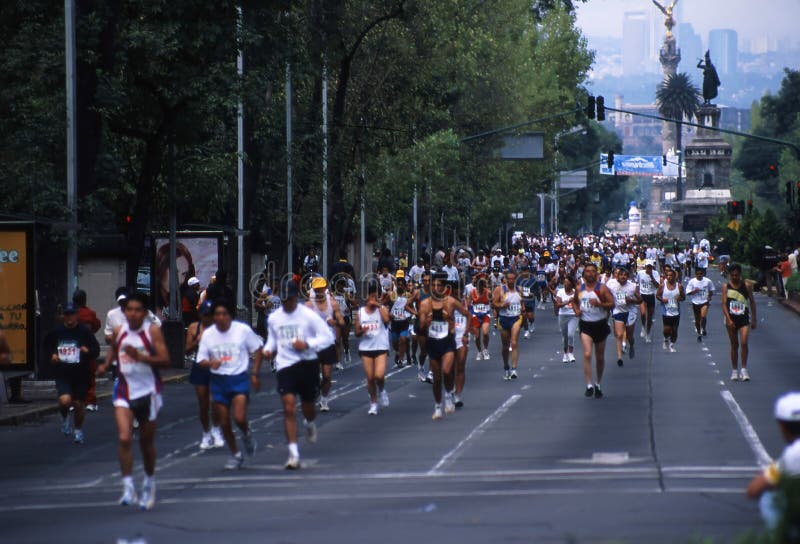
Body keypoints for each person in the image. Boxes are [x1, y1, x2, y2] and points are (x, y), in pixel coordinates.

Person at [98, 292, 170, 510]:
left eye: (137, 310)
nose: (132, 314)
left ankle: (149, 480)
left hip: (148, 391)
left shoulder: (152, 332)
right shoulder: (120, 331)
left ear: (145, 313)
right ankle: (128, 485)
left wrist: (141, 357)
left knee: (146, 443)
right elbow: (114, 350)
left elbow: (166, 360)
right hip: (124, 389)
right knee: (124, 437)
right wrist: (105, 365)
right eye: (129, 310)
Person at [263, 280, 333, 469]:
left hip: (307, 362)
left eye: (290, 299)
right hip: (285, 364)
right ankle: (293, 454)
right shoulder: (274, 318)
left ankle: (310, 423)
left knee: (308, 406)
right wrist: (268, 350)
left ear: (296, 298)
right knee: (288, 407)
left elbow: (328, 336)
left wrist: (308, 344)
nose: (287, 303)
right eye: (284, 299)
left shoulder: (308, 316)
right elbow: (272, 341)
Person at [196, 298, 263, 470]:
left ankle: (247, 435)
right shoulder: (208, 335)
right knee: (224, 422)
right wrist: (211, 364)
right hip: (219, 381)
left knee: (239, 417)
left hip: (238, 378)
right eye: (217, 314)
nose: (220, 317)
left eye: (223, 314)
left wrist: (255, 373)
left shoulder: (242, 331)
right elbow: (201, 360)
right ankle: (236, 454)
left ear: (230, 316)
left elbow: (257, 348)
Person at [43, 302, 100, 444]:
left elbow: (96, 350)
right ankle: (65, 417)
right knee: (65, 401)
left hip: (81, 374)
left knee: (79, 403)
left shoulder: (84, 332)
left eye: (72, 314)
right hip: (63, 373)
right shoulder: (57, 332)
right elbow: (47, 346)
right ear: (64, 316)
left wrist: (88, 351)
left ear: (76, 315)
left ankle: (78, 430)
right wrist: (52, 355)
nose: (69, 317)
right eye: (67, 314)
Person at [746, 392, 800, 533]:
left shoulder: (792, 455)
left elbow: (754, 489)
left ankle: (780, 536)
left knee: (769, 498)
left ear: (782, 425)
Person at [418, 273, 468, 418]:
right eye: (433, 285)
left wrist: (464, 333)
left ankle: (448, 395)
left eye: (438, 285)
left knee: (447, 371)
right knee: (437, 377)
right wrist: (427, 320)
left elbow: (466, 314)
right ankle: (438, 405)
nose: (435, 288)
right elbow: (421, 327)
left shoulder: (450, 302)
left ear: (444, 287)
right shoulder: (425, 304)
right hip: (433, 342)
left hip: (447, 341)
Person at [185, 300, 224, 450]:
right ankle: (206, 432)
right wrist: (197, 341)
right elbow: (187, 350)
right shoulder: (195, 328)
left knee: (215, 401)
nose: (207, 318)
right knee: (203, 403)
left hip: (215, 365)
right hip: (200, 366)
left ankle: (216, 428)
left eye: (210, 315)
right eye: (205, 315)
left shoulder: (219, 328)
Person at [573, 263, 614, 398]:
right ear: (584, 274)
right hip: (586, 325)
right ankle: (589, 385)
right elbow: (574, 302)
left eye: (592, 271)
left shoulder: (602, 289)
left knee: (600, 357)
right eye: (587, 271)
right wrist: (577, 310)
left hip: (600, 324)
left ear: (596, 274)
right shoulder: (580, 289)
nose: (590, 274)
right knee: (587, 353)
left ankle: (598, 383)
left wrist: (599, 304)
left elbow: (612, 304)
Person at [306, 277, 344, 412]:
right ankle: (315, 388)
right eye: (316, 289)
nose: (319, 291)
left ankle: (324, 400)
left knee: (327, 376)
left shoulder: (332, 303)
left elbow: (341, 321)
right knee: (313, 375)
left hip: (328, 342)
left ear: (325, 288)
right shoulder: (309, 306)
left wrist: (335, 322)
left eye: (321, 288)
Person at [354, 282, 391, 415]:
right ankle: (374, 403)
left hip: (380, 346)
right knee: (370, 378)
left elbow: (387, 321)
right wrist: (361, 331)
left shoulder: (382, 309)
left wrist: (379, 305)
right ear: (368, 297)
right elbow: (357, 331)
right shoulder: (361, 312)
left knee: (379, 375)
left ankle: (382, 390)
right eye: (372, 297)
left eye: (376, 297)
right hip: (366, 347)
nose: (374, 300)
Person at [721, 264, 757, 381]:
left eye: (737, 275)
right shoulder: (726, 287)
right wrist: (729, 319)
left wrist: (754, 318)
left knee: (744, 343)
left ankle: (744, 369)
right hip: (731, 319)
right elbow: (724, 304)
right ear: (729, 275)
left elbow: (752, 302)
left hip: (744, 318)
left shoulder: (746, 286)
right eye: (732, 275)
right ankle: (734, 370)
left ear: (740, 274)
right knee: (734, 345)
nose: (735, 277)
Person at [72, 289, 102, 412]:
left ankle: (74, 401)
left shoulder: (71, 314)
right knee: (90, 376)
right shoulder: (90, 313)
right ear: (84, 300)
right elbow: (97, 325)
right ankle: (89, 401)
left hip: (73, 346)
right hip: (88, 346)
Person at [492, 269, 523, 381]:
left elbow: (522, 302)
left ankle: (514, 369)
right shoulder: (499, 290)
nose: (510, 281)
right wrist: (502, 305)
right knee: (505, 345)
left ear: (515, 279)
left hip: (516, 318)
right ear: (505, 279)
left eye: (512, 279)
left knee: (514, 342)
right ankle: (506, 366)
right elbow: (494, 303)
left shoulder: (519, 289)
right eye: (508, 279)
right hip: (504, 318)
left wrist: (523, 312)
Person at [608, 268, 641, 367]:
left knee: (629, 335)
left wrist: (631, 300)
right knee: (619, 334)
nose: (623, 277)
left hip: (630, 311)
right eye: (621, 275)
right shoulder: (611, 284)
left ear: (628, 277)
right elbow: (604, 293)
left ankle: (631, 345)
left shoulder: (632, 286)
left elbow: (640, 300)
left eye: (625, 275)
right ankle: (619, 358)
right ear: (617, 276)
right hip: (618, 310)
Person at [154, 241, 195, 319]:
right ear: (161, 268)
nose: (180, 280)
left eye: (184, 274)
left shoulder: (182, 299)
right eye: (174, 272)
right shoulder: (150, 303)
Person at [657, 266, 685, 353]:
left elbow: (683, 297)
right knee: (667, 329)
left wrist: (679, 298)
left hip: (676, 311)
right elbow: (657, 295)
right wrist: (662, 300)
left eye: (671, 275)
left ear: (674, 276)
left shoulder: (679, 286)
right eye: (667, 275)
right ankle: (666, 338)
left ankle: (672, 345)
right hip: (666, 310)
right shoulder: (662, 286)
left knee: (675, 330)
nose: (669, 277)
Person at [554, 276, 578, 363]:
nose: (565, 284)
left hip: (573, 315)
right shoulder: (560, 292)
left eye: (567, 282)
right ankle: (565, 353)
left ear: (571, 284)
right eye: (564, 282)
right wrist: (568, 301)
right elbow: (558, 304)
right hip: (563, 315)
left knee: (570, 334)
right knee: (565, 337)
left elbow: (579, 303)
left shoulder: (575, 292)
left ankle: (571, 353)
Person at [686, 267, 715, 341]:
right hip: (695, 302)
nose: (699, 275)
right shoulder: (692, 282)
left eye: (701, 274)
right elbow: (688, 293)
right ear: (695, 274)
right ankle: (699, 333)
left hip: (704, 302)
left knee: (703, 316)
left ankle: (703, 328)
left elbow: (711, 290)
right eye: (697, 274)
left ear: (703, 274)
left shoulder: (708, 281)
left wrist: (709, 297)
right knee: (697, 320)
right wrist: (694, 291)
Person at [636, 260, 660, 343]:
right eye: (647, 266)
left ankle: (648, 334)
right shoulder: (640, 273)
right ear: (645, 266)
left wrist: (652, 277)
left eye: (650, 267)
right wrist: (637, 293)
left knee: (649, 318)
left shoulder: (655, 273)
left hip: (651, 295)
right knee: (643, 313)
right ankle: (643, 326)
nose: (649, 268)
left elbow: (657, 286)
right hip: (643, 295)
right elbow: (637, 283)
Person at [469, 274, 492, 361]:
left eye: (482, 284)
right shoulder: (472, 292)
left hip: (485, 314)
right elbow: (468, 304)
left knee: (485, 333)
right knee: (477, 336)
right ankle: (479, 351)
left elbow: (492, 301)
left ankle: (485, 350)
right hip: (475, 315)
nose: (481, 286)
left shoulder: (488, 292)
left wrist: (494, 310)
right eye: (479, 284)